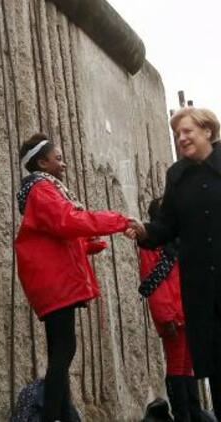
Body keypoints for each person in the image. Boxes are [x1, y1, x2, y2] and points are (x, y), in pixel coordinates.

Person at [15, 133, 136, 422]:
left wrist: (88, 244)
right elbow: (66, 221)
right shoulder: (42, 190)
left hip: (53, 280)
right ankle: (54, 417)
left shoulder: (43, 189)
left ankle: (63, 415)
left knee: (62, 352)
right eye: (58, 158)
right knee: (63, 352)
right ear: (42, 162)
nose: (64, 164)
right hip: (54, 283)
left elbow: (54, 235)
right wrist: (117, 221)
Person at [131, 107, 221, 420]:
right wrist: (145, 231)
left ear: (207, 131)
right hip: (202, 294)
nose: (181, 138)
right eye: (177, 134)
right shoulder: (176, 177)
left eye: (187, 131)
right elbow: (167, 226)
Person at [139, 198, 204, 421]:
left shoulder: (176, 243)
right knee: (177, 365)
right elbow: (154, 286)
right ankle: (182, 414)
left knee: (188, 365)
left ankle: (193, 412)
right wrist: (166, 318)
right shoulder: (151, 245)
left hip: (186, 313)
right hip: (173, 317)